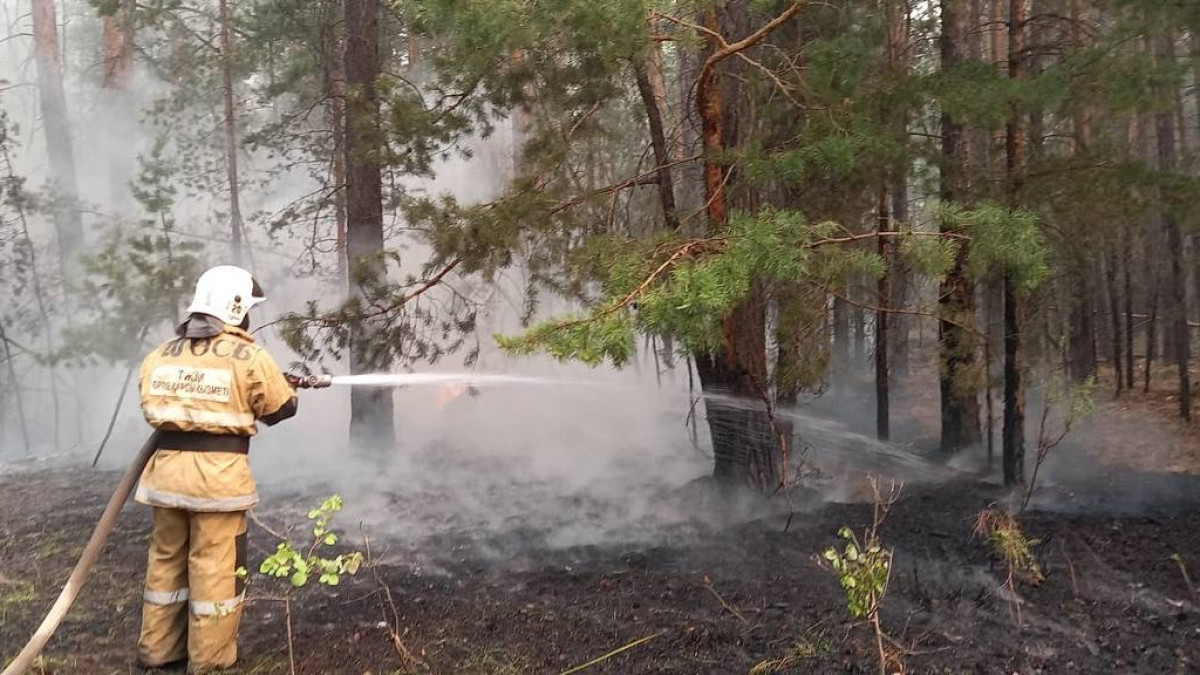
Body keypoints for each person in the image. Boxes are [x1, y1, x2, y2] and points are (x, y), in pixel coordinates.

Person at [135, 265, 298, 672]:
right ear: (236, 307)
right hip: (218, 482)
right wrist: (287, 387)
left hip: (166, 477)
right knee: (216, 569)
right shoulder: (249, 356)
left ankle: (159, 651)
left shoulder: (161, 354)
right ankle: (209, 660)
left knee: (166, 562)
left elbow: (157, 404)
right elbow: (280, 409)